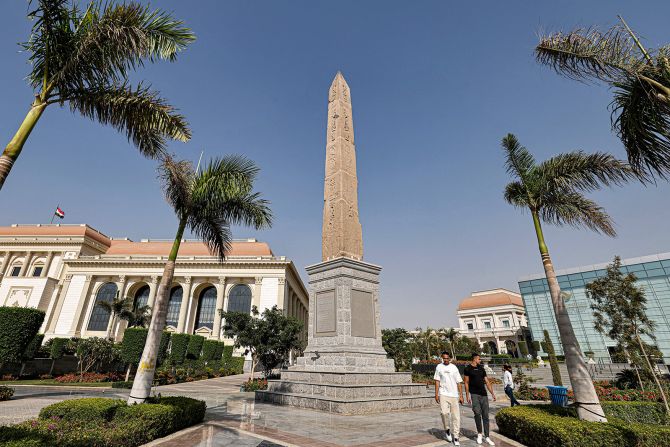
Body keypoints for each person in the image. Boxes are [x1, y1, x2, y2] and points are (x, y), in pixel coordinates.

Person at [464, 353, 496, 446]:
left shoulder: (482, 369)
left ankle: (487, 436)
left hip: (484, 395)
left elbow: (487, 381)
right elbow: (466, 382)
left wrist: (492, 393)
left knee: (485, 416)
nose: (480, 360)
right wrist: (467, 395)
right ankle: (479, 434)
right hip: (474, 394)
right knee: (477, 413)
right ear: (474, 359)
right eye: (479, 359)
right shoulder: (468, 369)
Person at [433, 351, 464, 446]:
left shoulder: (454, 368)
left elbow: (459, 382)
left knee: (456, 416)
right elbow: (437, 381)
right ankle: (447, 430)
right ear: (442, 358)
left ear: (450, 358)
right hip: (443, 394)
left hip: (454, 395)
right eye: (444, 358)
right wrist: (436, 394)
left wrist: (461, 395)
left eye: (447, 358)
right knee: (444, 413)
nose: (446, 360)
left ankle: (456, 437)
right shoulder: (439, 367)